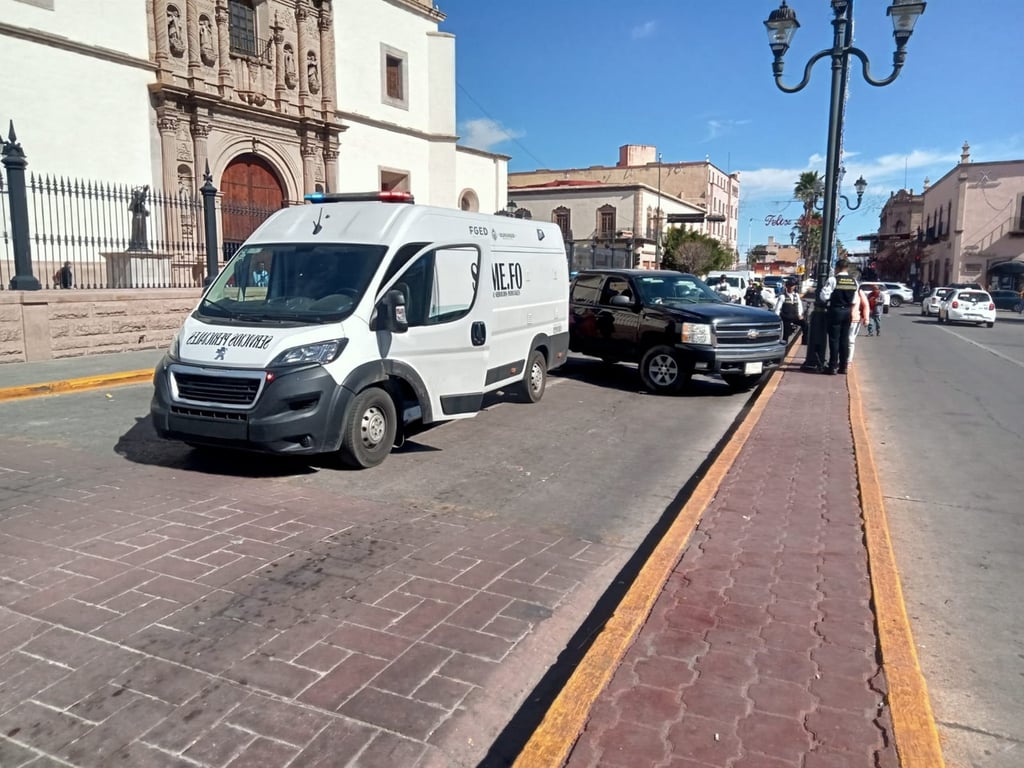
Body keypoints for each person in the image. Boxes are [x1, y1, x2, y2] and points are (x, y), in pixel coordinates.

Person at [819, 257, 858, 374]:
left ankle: (832, 367)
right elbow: (855, 299)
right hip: (847, 312)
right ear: (847, 268)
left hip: (835, 311)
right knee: (844, 339)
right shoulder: (854, 281)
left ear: (838, 268)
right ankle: (843, 366)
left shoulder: (833, 280)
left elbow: (824, 296)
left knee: (834, 339)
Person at [773, 277, 805, 342]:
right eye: (789, 286)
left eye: (792, 286)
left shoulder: (796, 295)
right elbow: (777, 309)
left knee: (805, 325)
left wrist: (799, 315)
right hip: (786, 318)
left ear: (794, 287)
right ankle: (785, 345)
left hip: (795, 316)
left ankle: (805, 341)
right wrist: (777, 318)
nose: (791, 287)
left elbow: (800, 306)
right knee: (786, 333)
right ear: (786, 287)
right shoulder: (782, 296)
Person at [847, 285, 870, 363]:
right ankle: (842, 359)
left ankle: (848, 360)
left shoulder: (859, 291)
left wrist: (866, 318)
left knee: (850, 340)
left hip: (854, 319)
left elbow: (866, 305)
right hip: (843, 318)